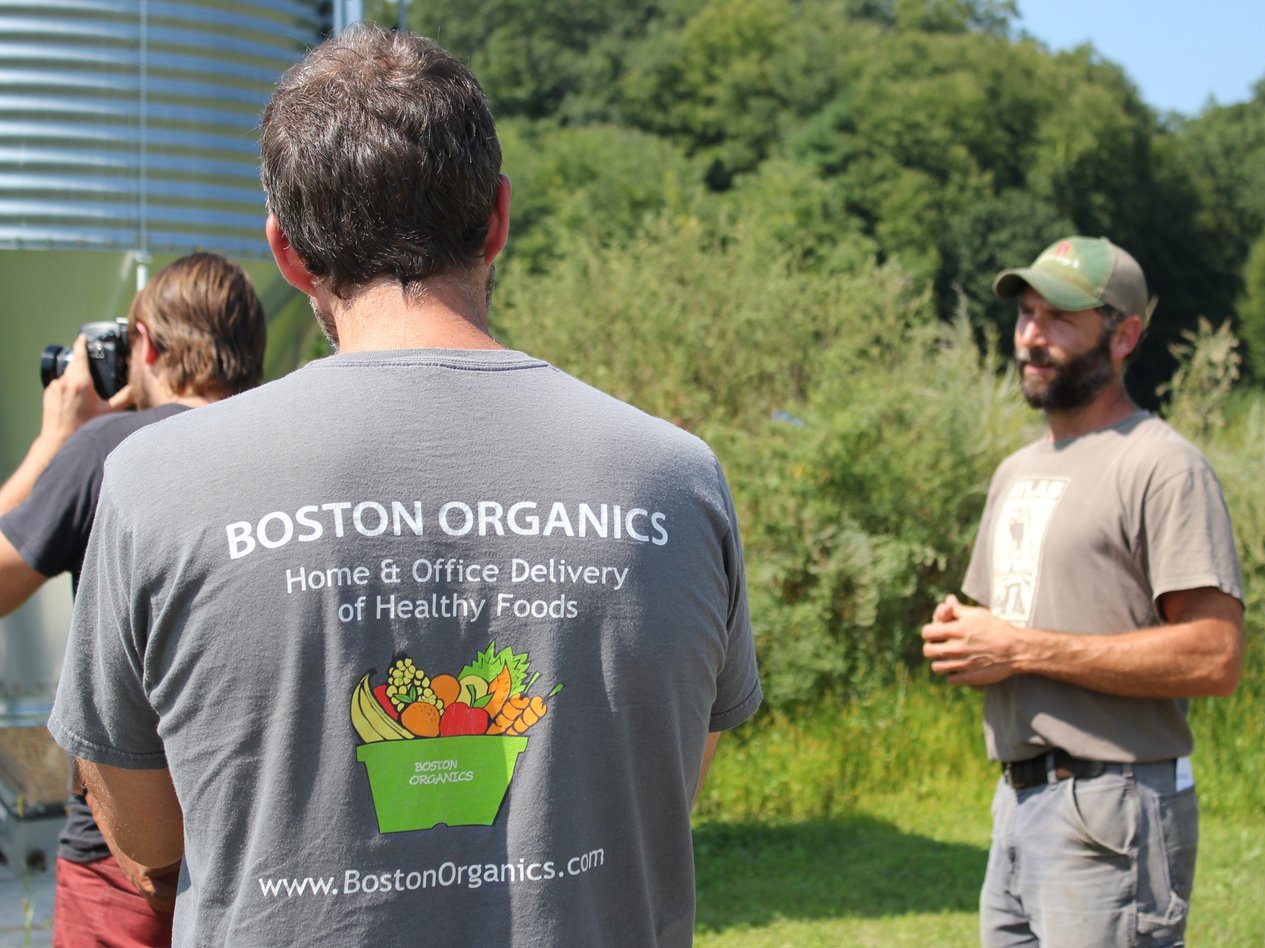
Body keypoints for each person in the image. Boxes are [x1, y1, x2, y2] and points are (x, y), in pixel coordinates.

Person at [48, 24, 761, 947]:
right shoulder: (676, 482)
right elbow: (660, 786)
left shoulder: (149, 481)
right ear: (498, 218)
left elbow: (144, 835)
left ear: (289, 254)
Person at [921, 236, 1245, 947]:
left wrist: (1019, 648)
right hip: (1015, 800)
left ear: (1124, 335)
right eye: (1026, 315)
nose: (1032, 337)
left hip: (1110, 806)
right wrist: (966, 637)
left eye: (1060, 318)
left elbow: (1213, 657)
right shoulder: (1016, 470)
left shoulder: (1160, 466)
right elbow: (1011, 631)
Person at [0, 252, 267, 946]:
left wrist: (54, 441)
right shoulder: (289, 447)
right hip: (264, 832)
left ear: (145, 345)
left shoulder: (107, 449)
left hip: (123, 849)